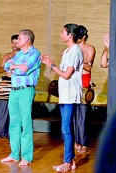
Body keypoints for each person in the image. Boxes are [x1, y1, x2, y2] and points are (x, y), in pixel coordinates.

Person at [41, 23, 83, 172]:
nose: (60, 35)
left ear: (70, 35)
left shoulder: (75, 51)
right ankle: (70, 161)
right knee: (65, 128)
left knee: (66, 128)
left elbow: (66, 74)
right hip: (65, 95)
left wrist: (52, 65)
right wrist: (50, 64)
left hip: (71, 95)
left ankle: (67, 161)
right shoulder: (67, 51)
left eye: (62, 32)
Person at [0, 29, 41, 166]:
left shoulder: (34, 53)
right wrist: (14, 66)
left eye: (19, 39)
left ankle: (26, 156)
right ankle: (14, 154)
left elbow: (24, 70)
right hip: (14, 91)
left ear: (27, 40)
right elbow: (6, 65)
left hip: (26, 90)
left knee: (25, 123)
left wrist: (14, 67)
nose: (17, 41)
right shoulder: (18, 55)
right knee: (14, 123)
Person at [0, 34, 19, 141]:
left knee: (15, 108)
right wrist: (6, 66)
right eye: (13, 42)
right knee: (3, 107)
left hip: (17, 82)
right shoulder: (7, 56)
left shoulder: (23, 56)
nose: (14, 44)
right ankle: (0, 132)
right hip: (6, 82)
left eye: (16, 42)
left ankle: (13, 133)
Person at [74, 25, 96, 153]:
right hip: (74, 79)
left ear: (83, 36)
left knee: (83, 114)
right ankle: (77, 141)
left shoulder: (90, 49)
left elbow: (89, 67)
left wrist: (76, 62)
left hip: (84, 80)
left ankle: (84, 142)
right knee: (74, 114)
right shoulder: (73, 48)